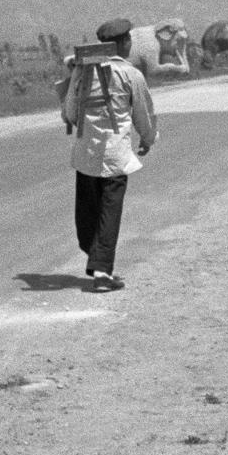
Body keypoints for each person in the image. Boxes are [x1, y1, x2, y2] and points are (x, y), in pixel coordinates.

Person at [61, 18, 158, 293]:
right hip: (116, 155)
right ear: (124, 43)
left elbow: (70, 112)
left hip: (85, 154)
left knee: (89, 212)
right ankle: (102, 272)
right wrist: (148, 139)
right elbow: (143, 113)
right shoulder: (131, 75)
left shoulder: (82, 73)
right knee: (109, 212)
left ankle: (96, 258)